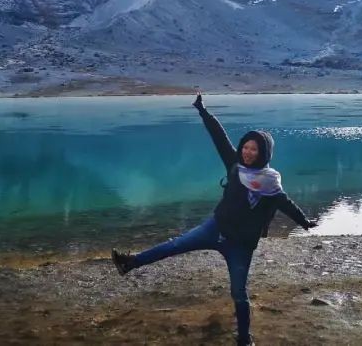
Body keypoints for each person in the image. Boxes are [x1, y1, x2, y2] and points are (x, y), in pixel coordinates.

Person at [111, 93, 317, 346]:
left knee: (239, 293)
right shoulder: (234, 164)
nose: (248, 152)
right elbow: (219, 137)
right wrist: (203, 111)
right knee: (175, 245)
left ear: (264, 153)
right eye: (246, 146)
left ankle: (244, 339)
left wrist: (305, 222)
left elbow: (286, 204)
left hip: (240, 244)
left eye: (254, 149)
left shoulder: (270, 181)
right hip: (215, 227)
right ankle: (130, 263)